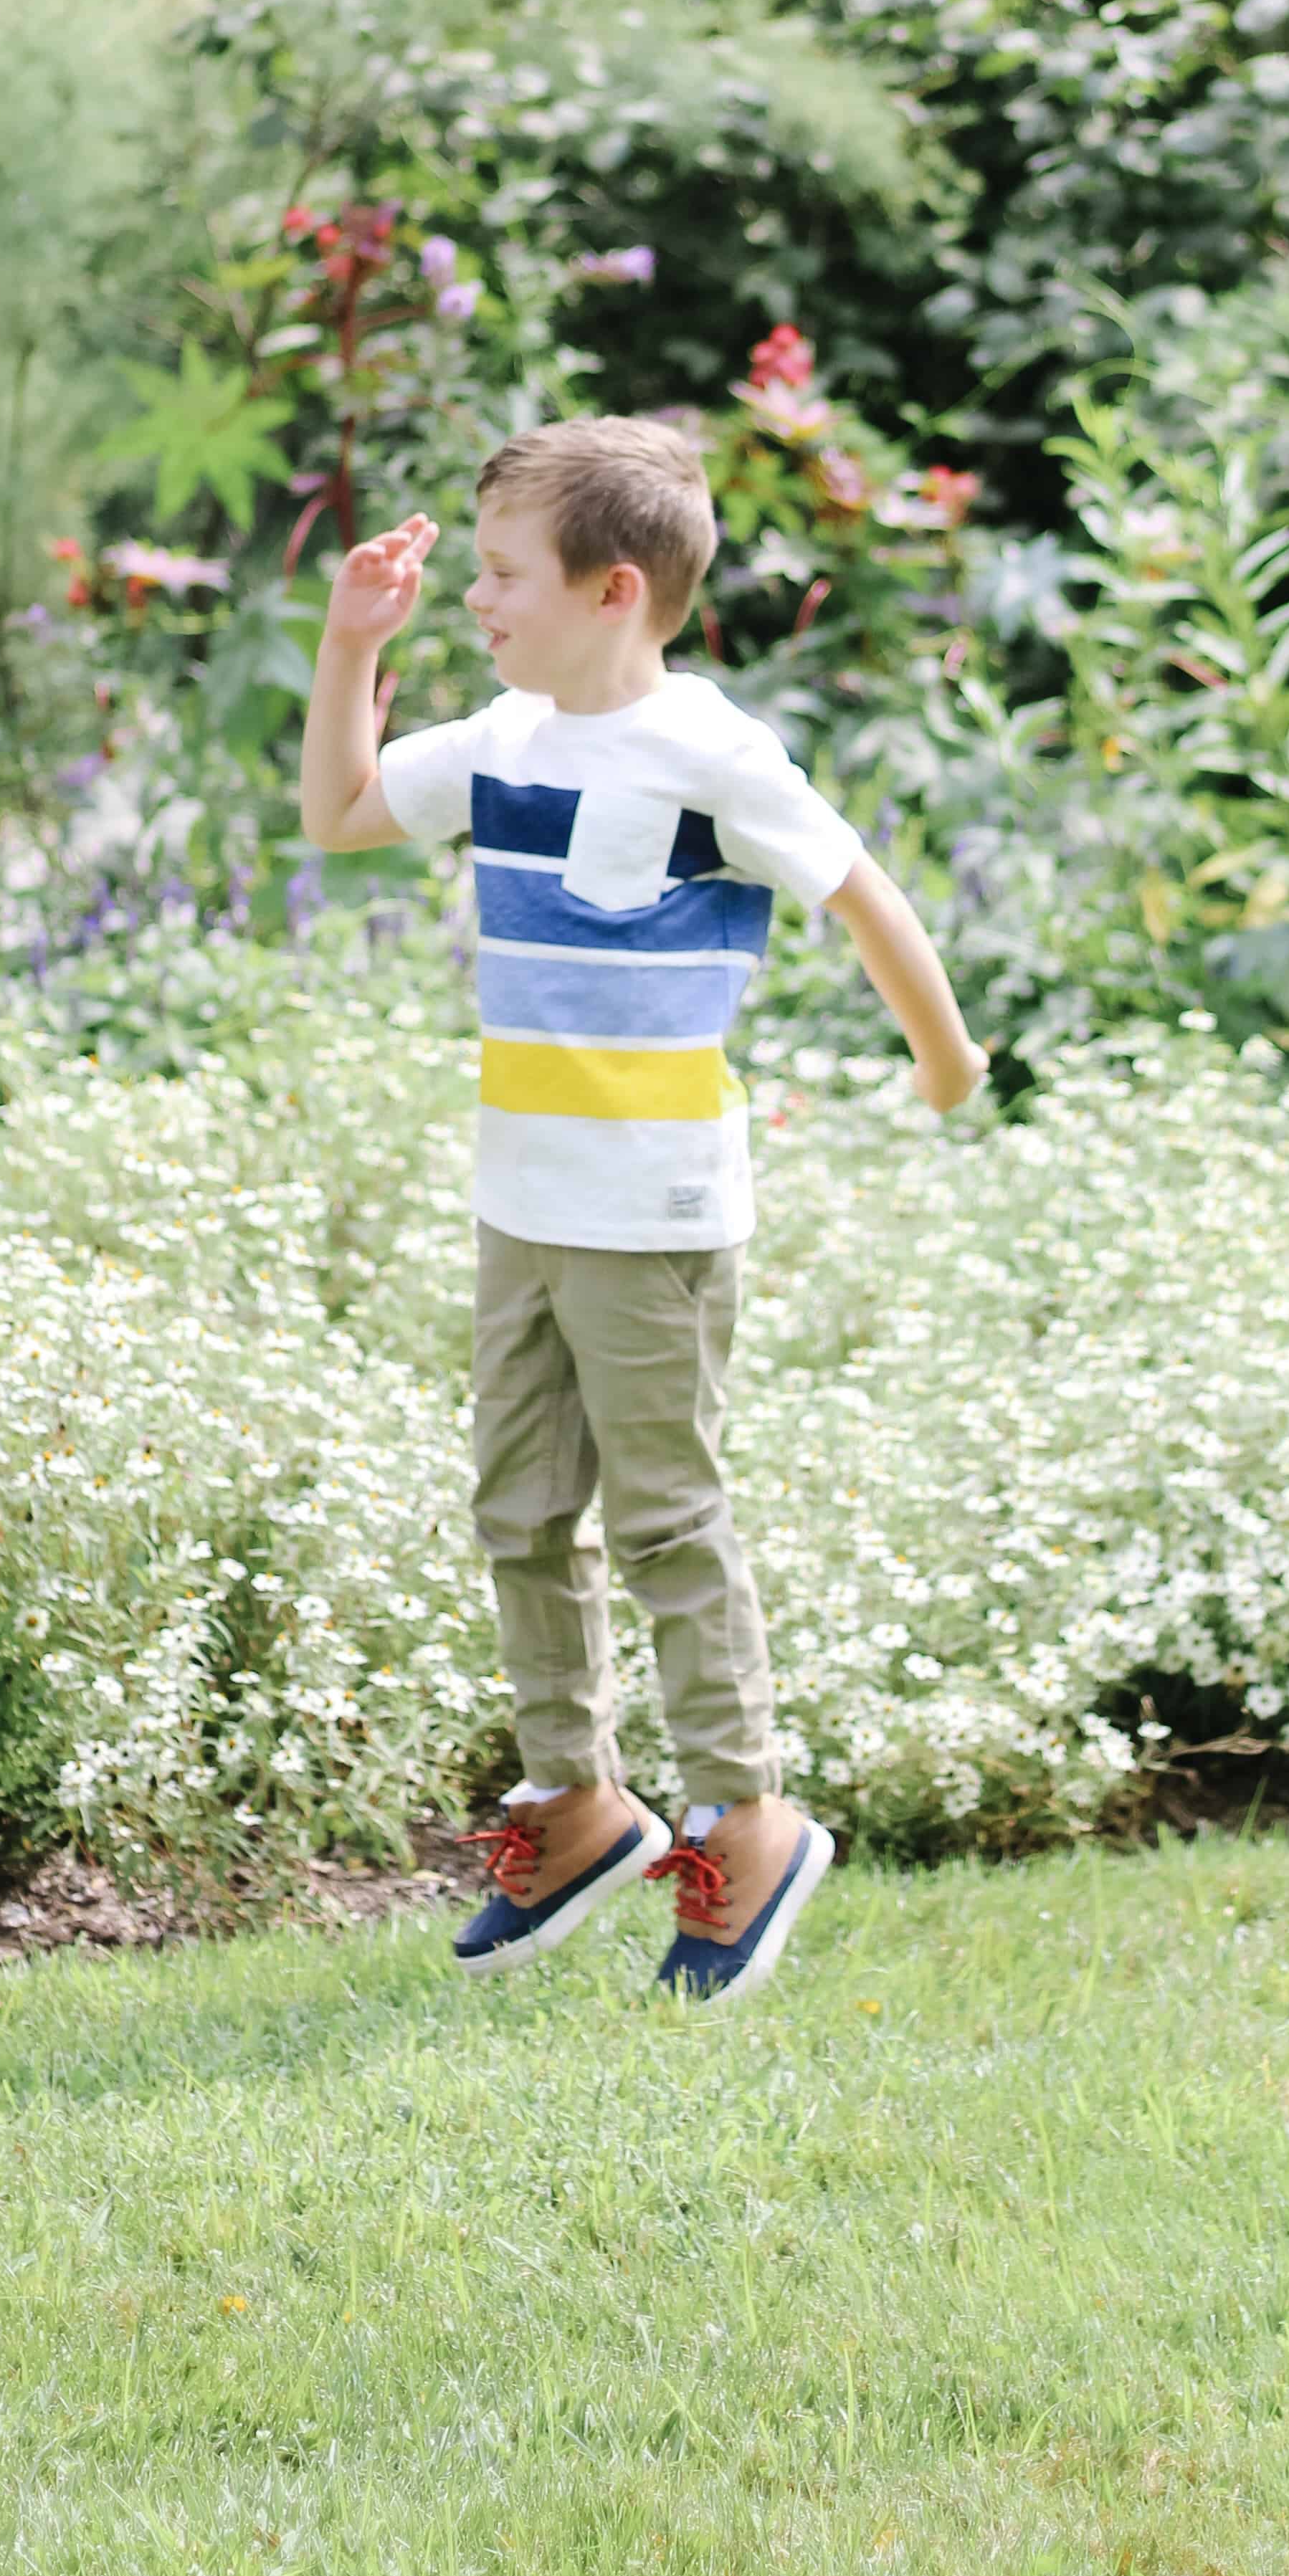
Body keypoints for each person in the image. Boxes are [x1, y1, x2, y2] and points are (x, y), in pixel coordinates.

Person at [299, 415, 988, 2009]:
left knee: (668, 1520)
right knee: (521, 1511)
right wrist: (352, 647)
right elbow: (336, 816)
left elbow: (863, 896)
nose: (475, 600)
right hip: (522, 1203)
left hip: (656, 1214)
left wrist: (947, 1066)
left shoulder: (710, 753)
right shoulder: (506, 741)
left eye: (500, 576)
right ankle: (579, 1799)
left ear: (614, 591)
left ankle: (743, 1822)